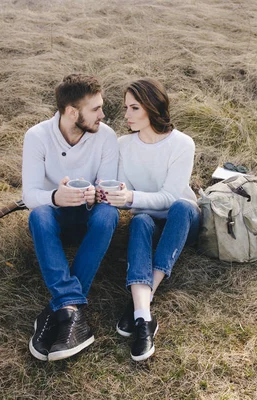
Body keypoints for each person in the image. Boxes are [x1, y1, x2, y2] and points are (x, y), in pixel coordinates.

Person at [101, 78, 201, 361]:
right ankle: (144, 318)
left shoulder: (182, 144)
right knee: (141, 221)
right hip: (146, 218)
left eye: (134, 107)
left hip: (182, 221)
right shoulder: (123, 145)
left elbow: (170, 197)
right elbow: (123, 188)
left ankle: (142, 297)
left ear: (152, 107)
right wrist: (118, 195)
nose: (127, 115)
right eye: (125, 108)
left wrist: (131, 197)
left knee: (181, 206)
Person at [22, 74, 119, 362]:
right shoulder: (37, 136)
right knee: (39, 214)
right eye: (96, 109)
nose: (103, 114)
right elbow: (30, 195)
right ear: (72, 112)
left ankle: (61, 309)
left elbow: (108, 186)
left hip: (91, 219)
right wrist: (55, 197)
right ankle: (72, 310)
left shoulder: (106, 136)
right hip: (56, 221)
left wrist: (95, 195)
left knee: (108, 214)